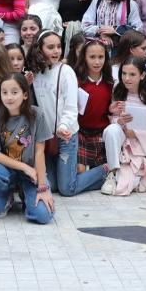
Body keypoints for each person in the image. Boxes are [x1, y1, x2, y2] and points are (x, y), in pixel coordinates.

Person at [31, 29, 107, 196]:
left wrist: (63, 126)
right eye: (50, 47)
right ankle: (77, 176)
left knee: (67, 189)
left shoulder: (66, 72)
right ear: (40, 49)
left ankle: (105, 171)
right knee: (54, 186)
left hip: (66, 135)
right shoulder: (35, 73)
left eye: (58, 46)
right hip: (47, 136)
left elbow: (71, 108)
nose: (56, 51)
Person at [0, 73, 55, 223]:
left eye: (15, 92)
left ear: (25, 94)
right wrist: (23, 167)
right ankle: (6, 196)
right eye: (4, 92)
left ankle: (26, 195)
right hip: (6, 171)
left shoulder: (37, 115)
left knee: (43, 216)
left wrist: (42, 187)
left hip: (31, 173)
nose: (9, 97)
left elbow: (39, 152)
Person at [101, 56, 146, 196]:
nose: (127, 78)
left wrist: (137, 133)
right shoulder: (118, 90)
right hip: (121, 136)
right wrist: (118, 121)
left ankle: (126, 175)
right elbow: (112, 120)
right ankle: (112, 172)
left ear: (142, 75)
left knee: (132, 182)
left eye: (132, 74)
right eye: (124, 73)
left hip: (140, 142)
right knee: (111, 130)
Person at [74, 40, 114, 174]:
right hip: (80, 132)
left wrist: (111, 110)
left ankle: (105, 173)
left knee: (103, 168)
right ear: (84, 58)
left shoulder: (109, 83)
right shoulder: (76, 81)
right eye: (92, 57)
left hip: (100, 133)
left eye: (101, 57)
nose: (97, 62)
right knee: (79, 170)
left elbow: (107, 108)